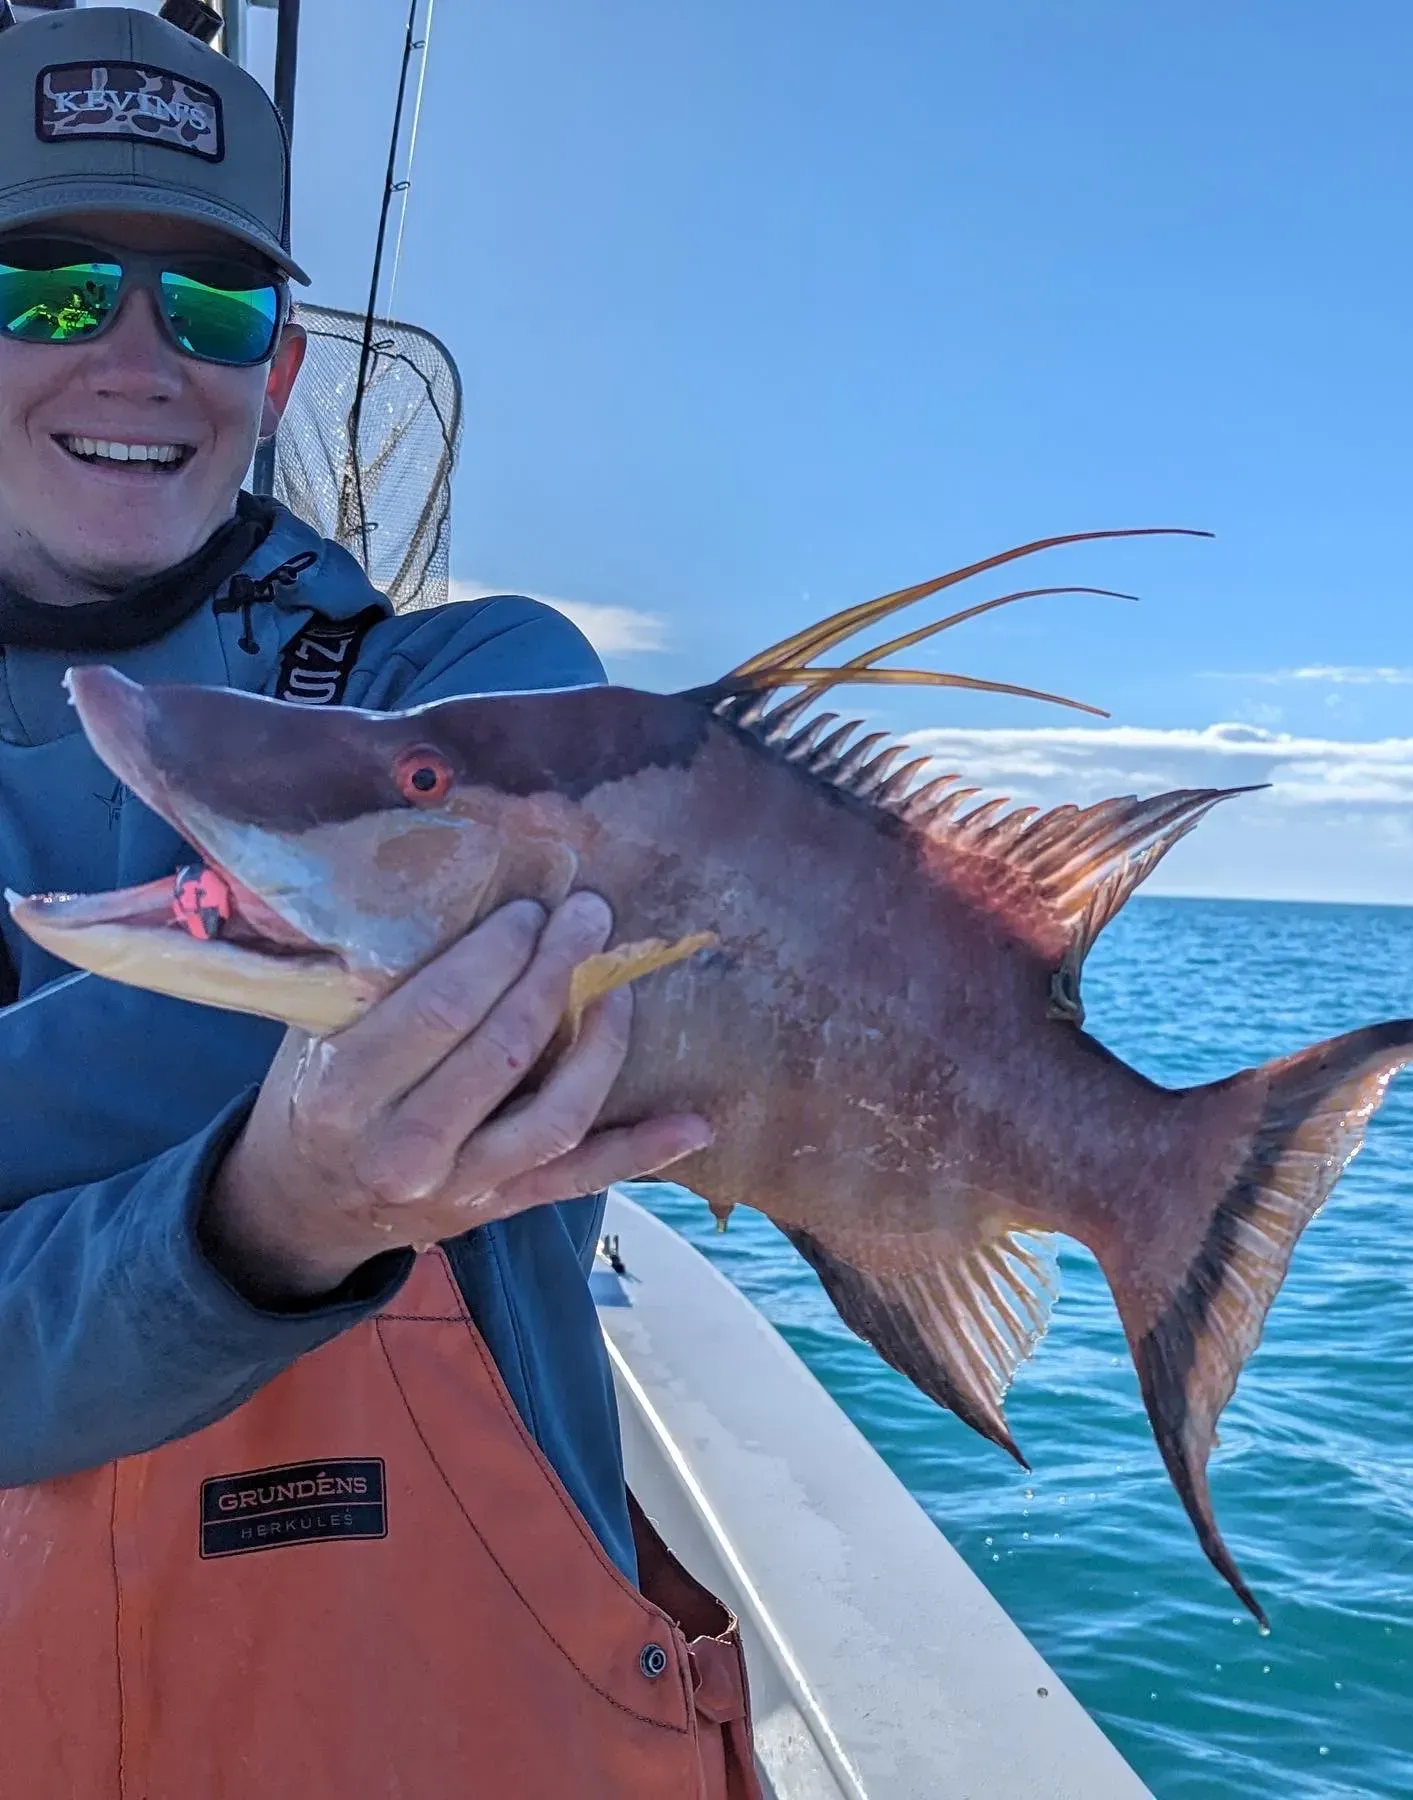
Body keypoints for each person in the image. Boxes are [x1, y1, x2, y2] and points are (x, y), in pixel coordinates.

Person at [0, 8, 760, 1796]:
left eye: (211, 308)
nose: (135, 359)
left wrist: (268, 1210)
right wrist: (260, 1208)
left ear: (276, 374)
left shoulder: (485, 696)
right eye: (45, 290)